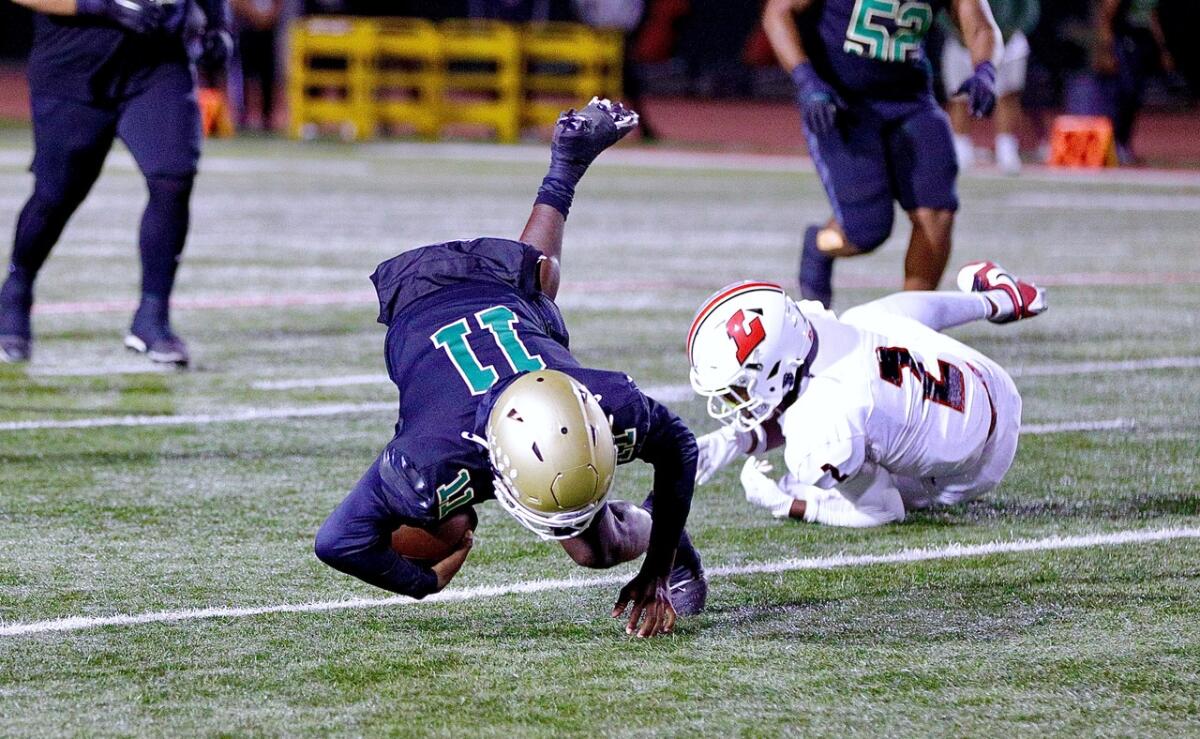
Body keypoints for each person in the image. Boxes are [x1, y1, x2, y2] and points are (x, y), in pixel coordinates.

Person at [314, 99, 706, 639]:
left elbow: (680, 448)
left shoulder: (607, 401)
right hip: (422, 298)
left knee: (597, 549)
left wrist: (659, 569)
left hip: (511, 325)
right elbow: (337, 542)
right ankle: (565, 169)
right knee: (439, 525)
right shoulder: (431, 461)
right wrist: (421, 579)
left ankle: (565, 168)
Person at [686, 261, 1046, 528]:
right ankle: (998, 300)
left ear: (776, 365)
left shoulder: (818, 437)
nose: (735, 398)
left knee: (804, 481)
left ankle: (998, 300)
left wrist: (787, 504)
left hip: (978, 462)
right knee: (868, 318)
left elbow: (884, 511)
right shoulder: (814, 327)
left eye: (738, 387)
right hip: (988, 378)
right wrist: (737, 438)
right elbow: (801, 392)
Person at [0, 0, 232, 366]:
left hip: (157, 62)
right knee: (56, 194)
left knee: (172, 175)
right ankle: (17, 288)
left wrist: (219, 26)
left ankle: (152, 316)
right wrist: (98, 6)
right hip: (73, 66)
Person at [760, 0, 1002, 308]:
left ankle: (914, 323)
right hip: (843, 104)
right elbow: (777, 12)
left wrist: (985, 69)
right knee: (865, 231)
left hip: (911, 101)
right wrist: (807, 80)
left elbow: (980, 24)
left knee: (937, 213)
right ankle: (819, 245)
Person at [940, 0, 1040, 174]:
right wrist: (963, 32)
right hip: (961, 43)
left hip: (1008, 43)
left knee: (1007, 96)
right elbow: (939, 10)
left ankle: (1006, 148)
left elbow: (1029, 11)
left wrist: (1005, 32)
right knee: (958, 97)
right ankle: (960, 149)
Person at [1094, 0, 1175, 164]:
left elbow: (1151, 17)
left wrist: (1163, 49)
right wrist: (1106, 50)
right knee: (1124, 91)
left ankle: (1124, 143)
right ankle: (1112, 143)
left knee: (1136, 94)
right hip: (1122, 40)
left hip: (1141, 41)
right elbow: (1106, 16)